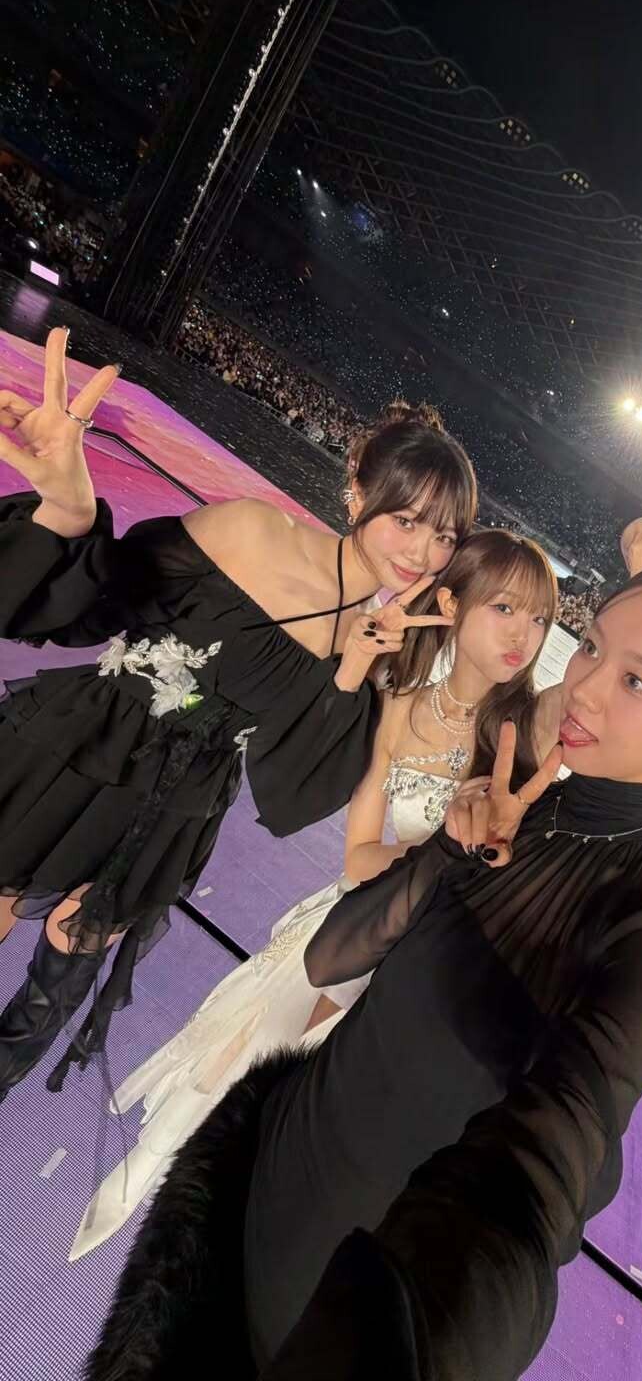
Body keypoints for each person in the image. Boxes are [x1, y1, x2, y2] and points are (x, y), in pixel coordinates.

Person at [86, 555, 642, 1381]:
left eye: (637, 683)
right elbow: (332, 953)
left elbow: (547, 1167)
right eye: (592, 648)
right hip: (250, 1191)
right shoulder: (523, 805)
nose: (586, 689)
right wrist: (449, 851)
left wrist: (414, 1346)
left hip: (339, 1293)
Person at [0, 327, 476, 1100]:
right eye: (408, 520)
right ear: (358, 491)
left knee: (53, 991)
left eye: (444, 535)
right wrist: (68, 505)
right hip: (82, 745)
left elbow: (290, 786)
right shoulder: (252, 530)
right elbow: (96, 599)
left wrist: (353, 668)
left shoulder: (374, 641)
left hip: (172, 814)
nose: (421, 551)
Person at [68, 528, 558, 1258]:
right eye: (506, 609)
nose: (525, 635)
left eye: (541, 618)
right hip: (358, 925)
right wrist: (437, 851)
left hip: (440, 965)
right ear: (453, 605)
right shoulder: (398, 705)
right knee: (238, 1083)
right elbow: (358, 856)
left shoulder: (530, 726)